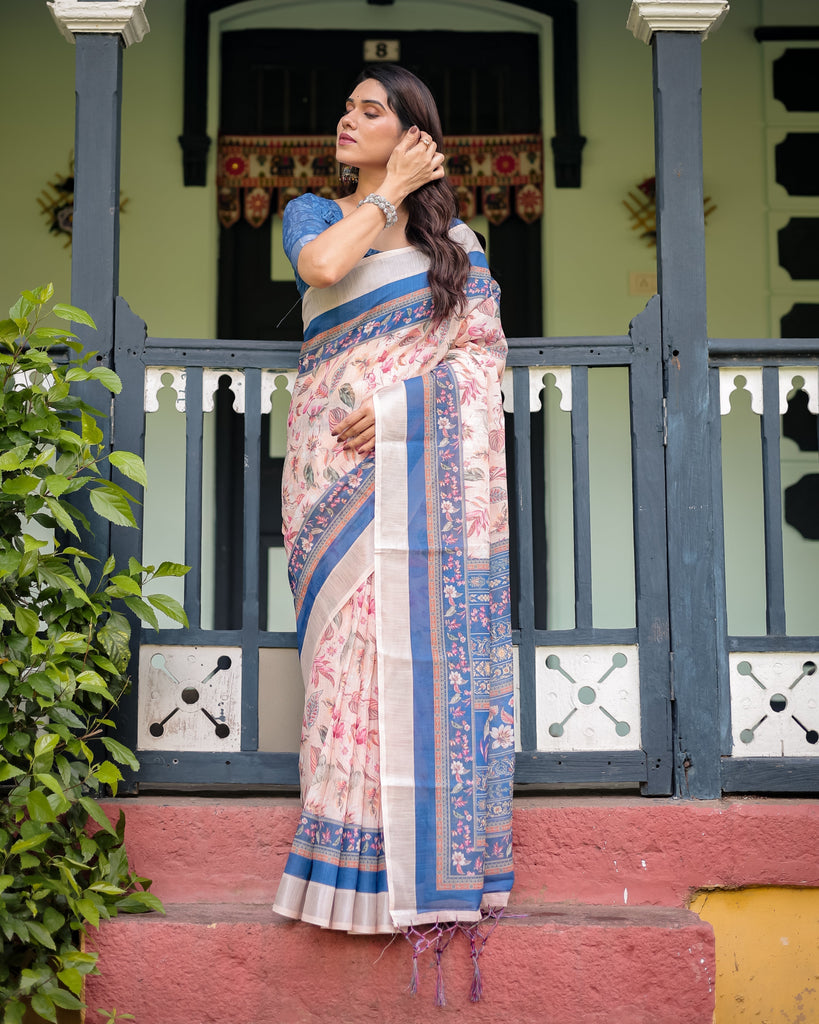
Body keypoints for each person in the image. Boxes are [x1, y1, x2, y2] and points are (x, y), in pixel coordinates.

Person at [272, 63, 514, 998]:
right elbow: (326, 271)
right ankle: (343, 869)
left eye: (369, 111)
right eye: (345, 107)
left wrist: (410, 403)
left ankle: (421, 865)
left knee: (407, 653)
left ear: (412, 130)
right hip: (332, 477)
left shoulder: (459, 246)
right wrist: (387, 195)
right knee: (344, 658)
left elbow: (480, 365)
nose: (346, 118)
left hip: (419, 475)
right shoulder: (309, 213)